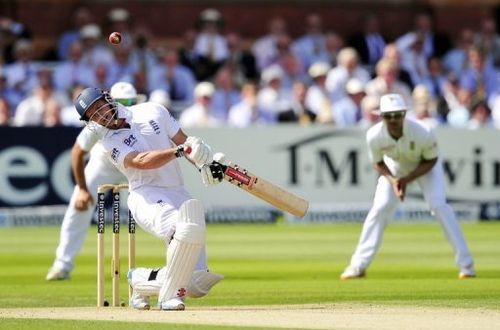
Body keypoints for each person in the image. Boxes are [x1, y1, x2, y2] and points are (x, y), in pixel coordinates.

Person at [71, 86, 224, 311]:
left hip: (178, 192)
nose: (99, 115)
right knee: (179, 227)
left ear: (108, 98)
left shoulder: (154, 111)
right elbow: (142, 160)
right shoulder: (108, 142)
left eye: (99, 107)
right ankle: (168, 298)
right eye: (93, 115)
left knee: (196, 283)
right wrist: (179, 151)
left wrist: (205, 164)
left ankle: (141, 280)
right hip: (146, 195)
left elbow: (185, 141)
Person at [340, 93, 475, 280]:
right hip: (394, 167)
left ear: (404, 114)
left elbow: (432, 159)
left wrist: (407, 179)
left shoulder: (423, 131)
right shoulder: (374, 135)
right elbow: (378, 163)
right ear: (381, 116)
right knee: (379, 209)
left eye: (397, 114)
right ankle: (358, 266)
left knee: (439, 206)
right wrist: (394, 180)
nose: (393, 120)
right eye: (388, 115)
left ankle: (466, 264)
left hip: (425, 166)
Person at [46, 82, 140, 281]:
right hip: (104, 165)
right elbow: (77, 153)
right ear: (110, 100)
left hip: (136, 165)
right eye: (122, 101)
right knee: (78, 206)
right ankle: (62, 264)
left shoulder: (142, 116)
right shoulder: (97, 122)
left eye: (130, 101)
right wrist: (81, 189)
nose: (125, 105)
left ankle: (182, 263)